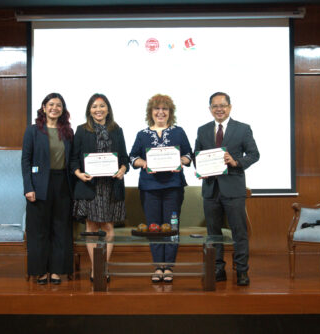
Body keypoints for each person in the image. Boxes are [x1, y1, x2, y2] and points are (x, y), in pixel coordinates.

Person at [194, 92, 259, 286]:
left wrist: (236, 161)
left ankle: (241, 271)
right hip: (211, 189)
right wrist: (201, 170)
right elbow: (198, 156)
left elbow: (254, 154)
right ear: (210, 109)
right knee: (213, 234)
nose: (219, 109)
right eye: (215, 106)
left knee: (239, 233)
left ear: (229, 107)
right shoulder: (203, 130)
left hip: (234, 189)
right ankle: (217, 269)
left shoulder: (243, 129)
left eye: (222, 105)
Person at [129, 94, 192, 283]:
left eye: (165, 109)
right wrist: (145, 163)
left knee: (172, 227)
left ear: (170, 112)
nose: (161, 112)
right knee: (154, 227)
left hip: (173, 187)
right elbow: (132, 158)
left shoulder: (178, 132)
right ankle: (158, 266)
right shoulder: (142, 134)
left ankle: (169, 267)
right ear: (151, 112)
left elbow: (189, 155)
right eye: (157, 109)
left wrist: (180, 160)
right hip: (149, 188)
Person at [71, 93, 129, 282]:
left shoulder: (116, 130)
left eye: (102, 106)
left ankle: (104, 266)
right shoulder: (81, 130)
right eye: (95, 106)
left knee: (108, 226)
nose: (98, 110)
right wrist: (79, 173)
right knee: (91, 226)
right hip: (90, 185)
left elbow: (124, 158)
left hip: (111, 186)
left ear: (108, 109)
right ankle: (96, 269)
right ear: (89, 109)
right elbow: (73, 159)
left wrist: (122, 169)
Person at [21, 92, 75, 285]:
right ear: (44, 107)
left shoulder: (68, 132)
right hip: (39, 186)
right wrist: (28, 187)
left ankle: (56, 271)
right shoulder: (33, 131)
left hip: (62, 185)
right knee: (39, 231)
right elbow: (25, 161)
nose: (54, 108)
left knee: (61, 229)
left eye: (59, 105)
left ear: (63, 110)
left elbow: (72, 161)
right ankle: (40, 271)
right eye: (51, 104)